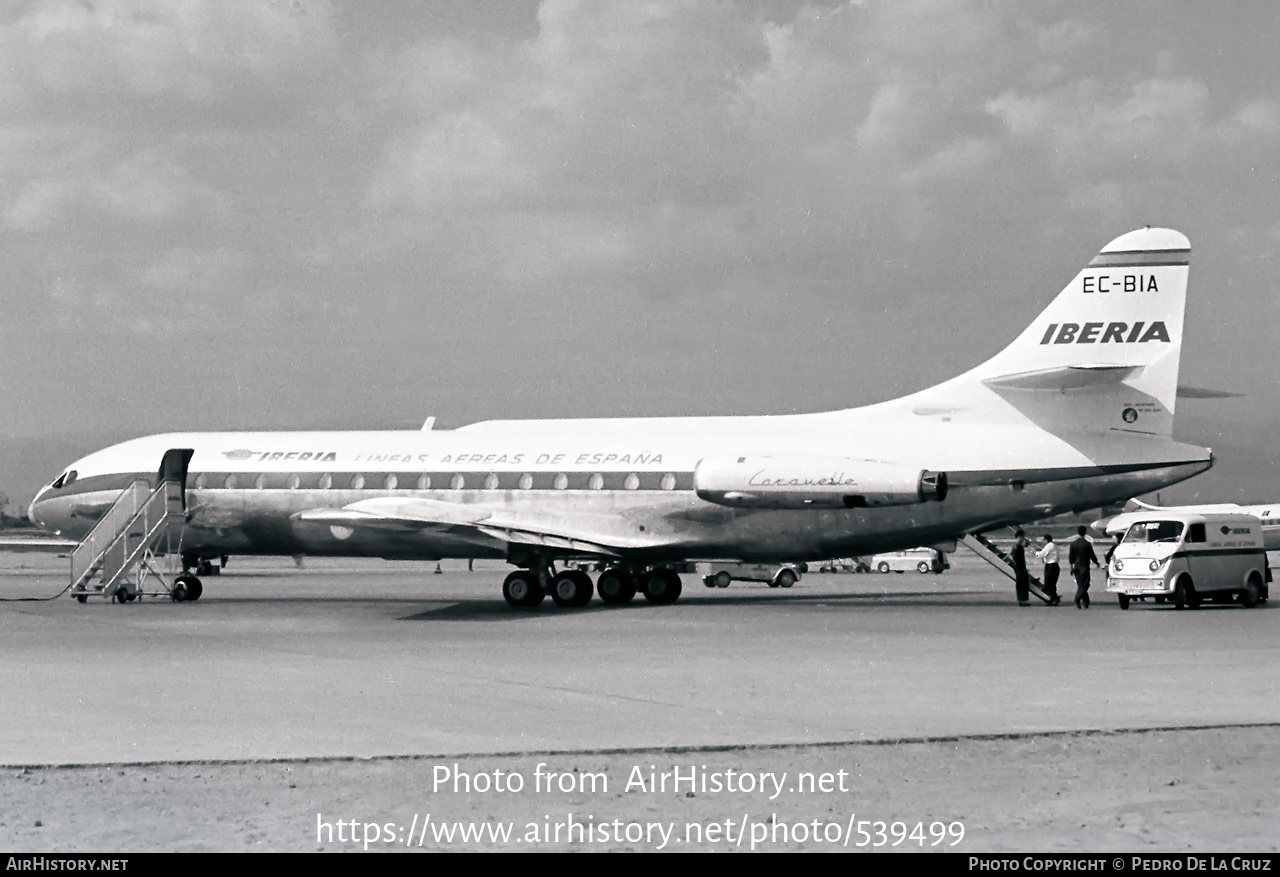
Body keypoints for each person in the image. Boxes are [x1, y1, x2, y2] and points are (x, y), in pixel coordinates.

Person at [1068, 525, 1100, 609]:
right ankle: (1077, 599)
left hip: (1076, 566)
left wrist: (1071, 567)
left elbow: (1071, 557)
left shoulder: (1073, 544)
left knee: (1080, 584)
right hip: (1084, 565)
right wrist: (1096, 562)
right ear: (1085, 533)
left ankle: (1086, 602)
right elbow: (1092, 555)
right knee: (1085, 584)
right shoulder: (1087, 544)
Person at [1036, 534, 1061, 605]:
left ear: (1046, 540)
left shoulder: (1049, 546)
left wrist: (1036, 552)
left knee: (1048, 583)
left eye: (1043, 540)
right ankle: (1053, 598)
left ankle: (1054, 598)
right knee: (1051, 583)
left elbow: (1041, 554)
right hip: (1054, 565)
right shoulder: (1054, 546)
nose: (1042, 542)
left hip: (1051, 566)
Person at [1011, 529, 1031, 605]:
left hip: (1019, 567)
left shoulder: (1016, 545)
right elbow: (1017, 558)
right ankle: (1023, 600)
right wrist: (1022, 568)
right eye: (1023, 537)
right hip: (1020, 567)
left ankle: (1021, 599)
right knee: (1023, 584)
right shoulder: (1017, 546)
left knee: (1021, 583)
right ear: (1020, 536)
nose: (1023, 538)